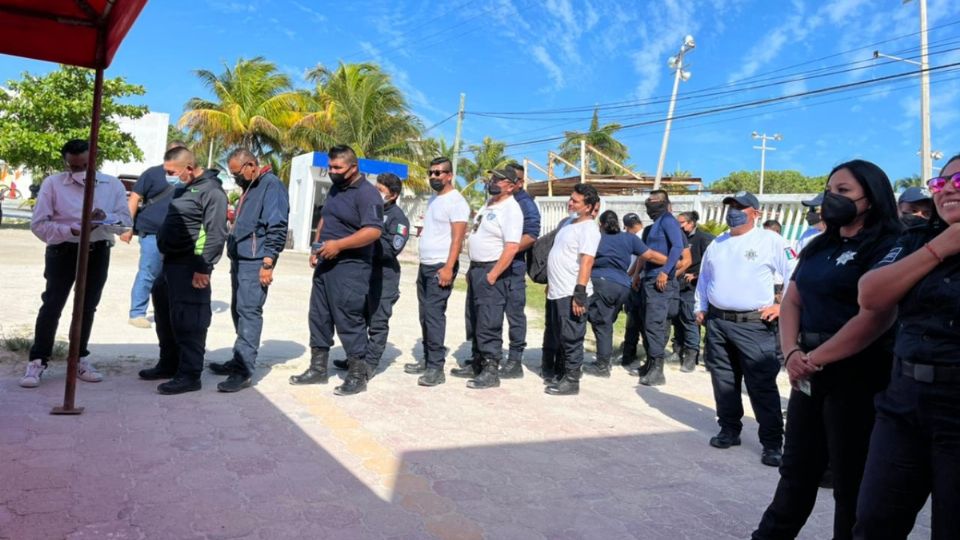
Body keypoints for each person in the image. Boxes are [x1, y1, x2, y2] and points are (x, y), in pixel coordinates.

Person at [752, 160, 900, 539]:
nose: (832, 199)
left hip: (859, 374)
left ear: (871, 196)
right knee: (796, 471)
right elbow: (792, 301)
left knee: (851, 481)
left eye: (844, 191)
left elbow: (876, 317)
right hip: (807, 372)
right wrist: (790, 354)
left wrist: (814, 359)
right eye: (829, 190)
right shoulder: (820, 245)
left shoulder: (891, 245)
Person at [852, 154, 960, 539]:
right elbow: (870, 295)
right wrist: (941, 247)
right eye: (941, 182)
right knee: (874, 523)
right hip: (904, 401)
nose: (948, 188)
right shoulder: (916, 238)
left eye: (959, 180)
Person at [19, 139, 132, 388]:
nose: (79, 172)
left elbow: (125, 223)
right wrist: (72, 229)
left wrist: (105, 218)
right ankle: (38, 360)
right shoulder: (53, 184)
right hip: (63, 251)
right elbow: (39, 225)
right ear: (66, 162)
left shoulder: (111, 185)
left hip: (98, 251)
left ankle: (78, 358)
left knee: (87, 307)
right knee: (52, 304)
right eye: (74, 167)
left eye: (84, 165)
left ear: (94, 159)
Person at [694, 191, 789, 466]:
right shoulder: (718, 243)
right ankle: (729, 429)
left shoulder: (770, 240)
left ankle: (772, 443)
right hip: (718, 322)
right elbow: (705, 278)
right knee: (723, 380)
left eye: (740, 207)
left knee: (761, 385)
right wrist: (699, 306)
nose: (733, 211)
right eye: (731, 206)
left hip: (754, 325)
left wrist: (783, 306)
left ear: (755, 213)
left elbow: (796, 272)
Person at [290, 145, 383, 396]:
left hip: (350, 266)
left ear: (353, 168)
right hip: (325, 263)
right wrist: (316, 247)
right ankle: (318, 369)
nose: (331, 171)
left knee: (348, 318)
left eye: (337, 168)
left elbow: (373, 231)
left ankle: (357, 374)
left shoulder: (367, 194)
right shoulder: (335, 189)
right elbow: (325, 219)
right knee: (318, 316)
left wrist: (338, 245)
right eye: (329, 167)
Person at [140, 147, 227, 395]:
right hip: (170, 264)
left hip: (192, 265)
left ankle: (189, 375)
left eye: (172, 172)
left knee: (190, 321)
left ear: (188, 168)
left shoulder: (212, 192)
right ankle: (168, 363)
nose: (169, 177)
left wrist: (203, 268)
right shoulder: (187, 187)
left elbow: (215, 232)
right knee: (166, 317)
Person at [204, 148, 289, 393]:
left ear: (251, 165)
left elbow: (277, 225)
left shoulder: (271, 186)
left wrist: (268, 262)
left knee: (249, 311)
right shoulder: (251, 186)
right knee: (238, 310)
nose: (235, 178)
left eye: (237, 173)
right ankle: (238, 358)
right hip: (241, 258)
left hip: (256, 260)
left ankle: (243, 371)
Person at [330, 173, 409, 374]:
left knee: (377, 322)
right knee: (358, 318)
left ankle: (370, 364)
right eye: (375, 189)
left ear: (393, 195)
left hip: (383, 278)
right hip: (361, 273)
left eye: (380, 191)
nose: (375, 193)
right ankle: (355, 359)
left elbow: (391, 249)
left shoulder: (398, 219)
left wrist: (367, 237)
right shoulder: (367, 211)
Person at [584, 210, 666, 378]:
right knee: (606, 321)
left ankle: (602, 365)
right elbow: (649, 255)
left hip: (602, 282)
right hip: (622, 286)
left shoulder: (596, 237)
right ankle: (603, 361)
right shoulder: (629, 238)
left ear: (601, 225)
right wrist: (671, 260)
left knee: (600, 324)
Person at [461, 168, 523, 389]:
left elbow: (512, 246)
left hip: (492, 271)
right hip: (478, 268)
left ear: (512, 185)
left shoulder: (511, 209)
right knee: (475, 318)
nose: (493, 181)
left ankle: (490, 369)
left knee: (489, 320)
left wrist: (494, 273)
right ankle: (477, 361)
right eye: (493, 178)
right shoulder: (490, 204)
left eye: (499, 179)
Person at [410, 157, 469, 384]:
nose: (433, 176)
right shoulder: (435, 200)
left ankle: (436, 368)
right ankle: (427, 359)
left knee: (434, 316)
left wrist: (448, 267)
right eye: (431, 172)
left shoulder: (457, 202)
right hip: (426, 265)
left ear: (449, 175)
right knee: (425, 315)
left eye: (438, 173)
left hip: (440, 267)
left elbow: (457, 239)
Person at [541, 184, 602, 395]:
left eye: (576, 201)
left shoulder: (589, 229)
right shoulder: (568, 223)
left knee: (572, 337)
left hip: (571, 292)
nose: (570, 203)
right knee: (559, 335)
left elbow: (586, 262)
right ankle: (561, 373)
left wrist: (580, 293)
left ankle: (572, 380)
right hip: (557, 291)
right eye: (571, 198)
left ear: (589, 207)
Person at [121, 140, 188, 329]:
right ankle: (137, 313)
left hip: (179, 236)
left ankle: (168, 313)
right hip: (152, 232)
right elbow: (135, 198)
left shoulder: (187, 176)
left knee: (174, 274)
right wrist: (127, 226)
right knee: (149, 271)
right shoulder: (152, 173)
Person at [636, 189, 685, 385]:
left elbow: (677, 247)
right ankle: (650, 364)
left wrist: (665, 271)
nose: (650, 203)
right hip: (649, 278)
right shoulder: (655, 224)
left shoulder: (668, 220)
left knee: (655, 324)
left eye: (655, 200)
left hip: (661, 279)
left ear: (665, 203)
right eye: (648, 200)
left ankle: (658, 370)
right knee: (648, 323)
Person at [498, 162, 541, 379]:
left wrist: (506, 251)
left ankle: (515, 360)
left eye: (511, 178)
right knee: (490, 313)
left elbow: (532, 235)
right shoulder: (499, 200)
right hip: (495, 267)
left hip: (513, 267)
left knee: (514, 313)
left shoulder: (526, 204)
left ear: (520, 181)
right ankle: (488, 356)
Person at [673, 211, 714, 372]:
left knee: (690, 319)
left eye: (682, 222)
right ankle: (678, 350)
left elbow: (712, 263)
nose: (679, 226)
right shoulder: (678, 238)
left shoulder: (703, 239)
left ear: (691, 223)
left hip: (694, 287)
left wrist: (697, 275)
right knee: (677, 318)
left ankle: (691, 355)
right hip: (678, 284)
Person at [620, 212, 647, 369]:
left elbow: (640, 258)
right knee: (633, 319)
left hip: (639, 282)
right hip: (635, 281)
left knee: (636, 321)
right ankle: (629, 354)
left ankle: (632, 354)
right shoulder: (638, 234)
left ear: (627, 227)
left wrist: (630, 274)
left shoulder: (641, 236)